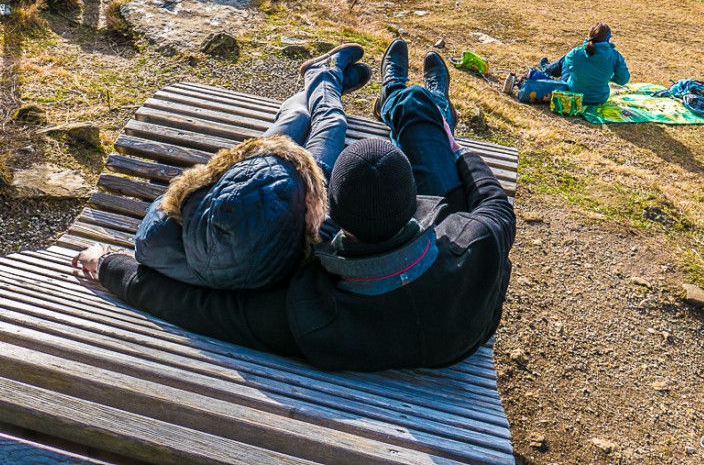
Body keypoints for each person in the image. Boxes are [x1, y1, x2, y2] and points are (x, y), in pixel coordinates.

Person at [73, 39, 516, 371]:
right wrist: (461, 155)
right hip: (452, 305)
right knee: (425, 117)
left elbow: (197, 309)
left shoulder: (311, 312)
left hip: (394, 303)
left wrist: (110, 264)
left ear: (332, 210)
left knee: (422, 123)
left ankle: (403, 94)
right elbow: (494, 202)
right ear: (419, 206)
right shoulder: (474, 240)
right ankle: (418, 99)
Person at [131, 44, 370, 291]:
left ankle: (325, 79)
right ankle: (324, 77)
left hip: (264, 173)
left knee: (297, 117)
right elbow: (324, 234)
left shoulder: (156, 239)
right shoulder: (292, 265)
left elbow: (166, 203)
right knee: (331, 121)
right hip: (310, 182)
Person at [529, 22, 630, 105]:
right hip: (599, 99)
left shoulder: (577, 52)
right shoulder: (615, 55)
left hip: (573, 94)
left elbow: (568, 67)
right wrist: (607, 76)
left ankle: (547, 69)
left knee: (566, 58)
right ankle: (548, 68)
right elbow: (623, 79)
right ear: (608, 39)